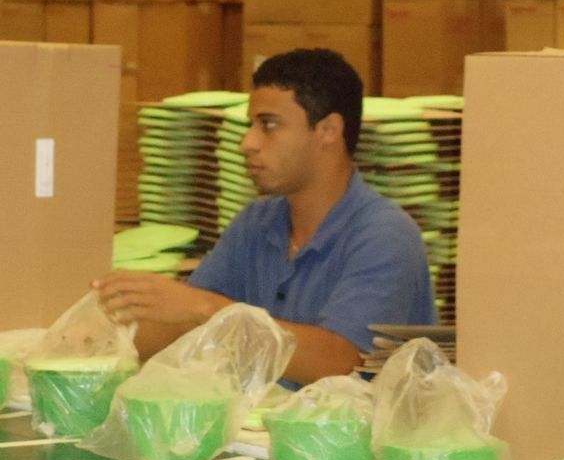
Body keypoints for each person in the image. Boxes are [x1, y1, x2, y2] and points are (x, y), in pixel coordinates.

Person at [95, 48, 436, 388]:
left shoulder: (385, 236)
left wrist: (203, 307)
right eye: (251, 125)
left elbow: (342, 362)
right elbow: (186, 327)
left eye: (268, 125)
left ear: (328, 130)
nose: (248, 142)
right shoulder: (256, 224)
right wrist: (105, 333)